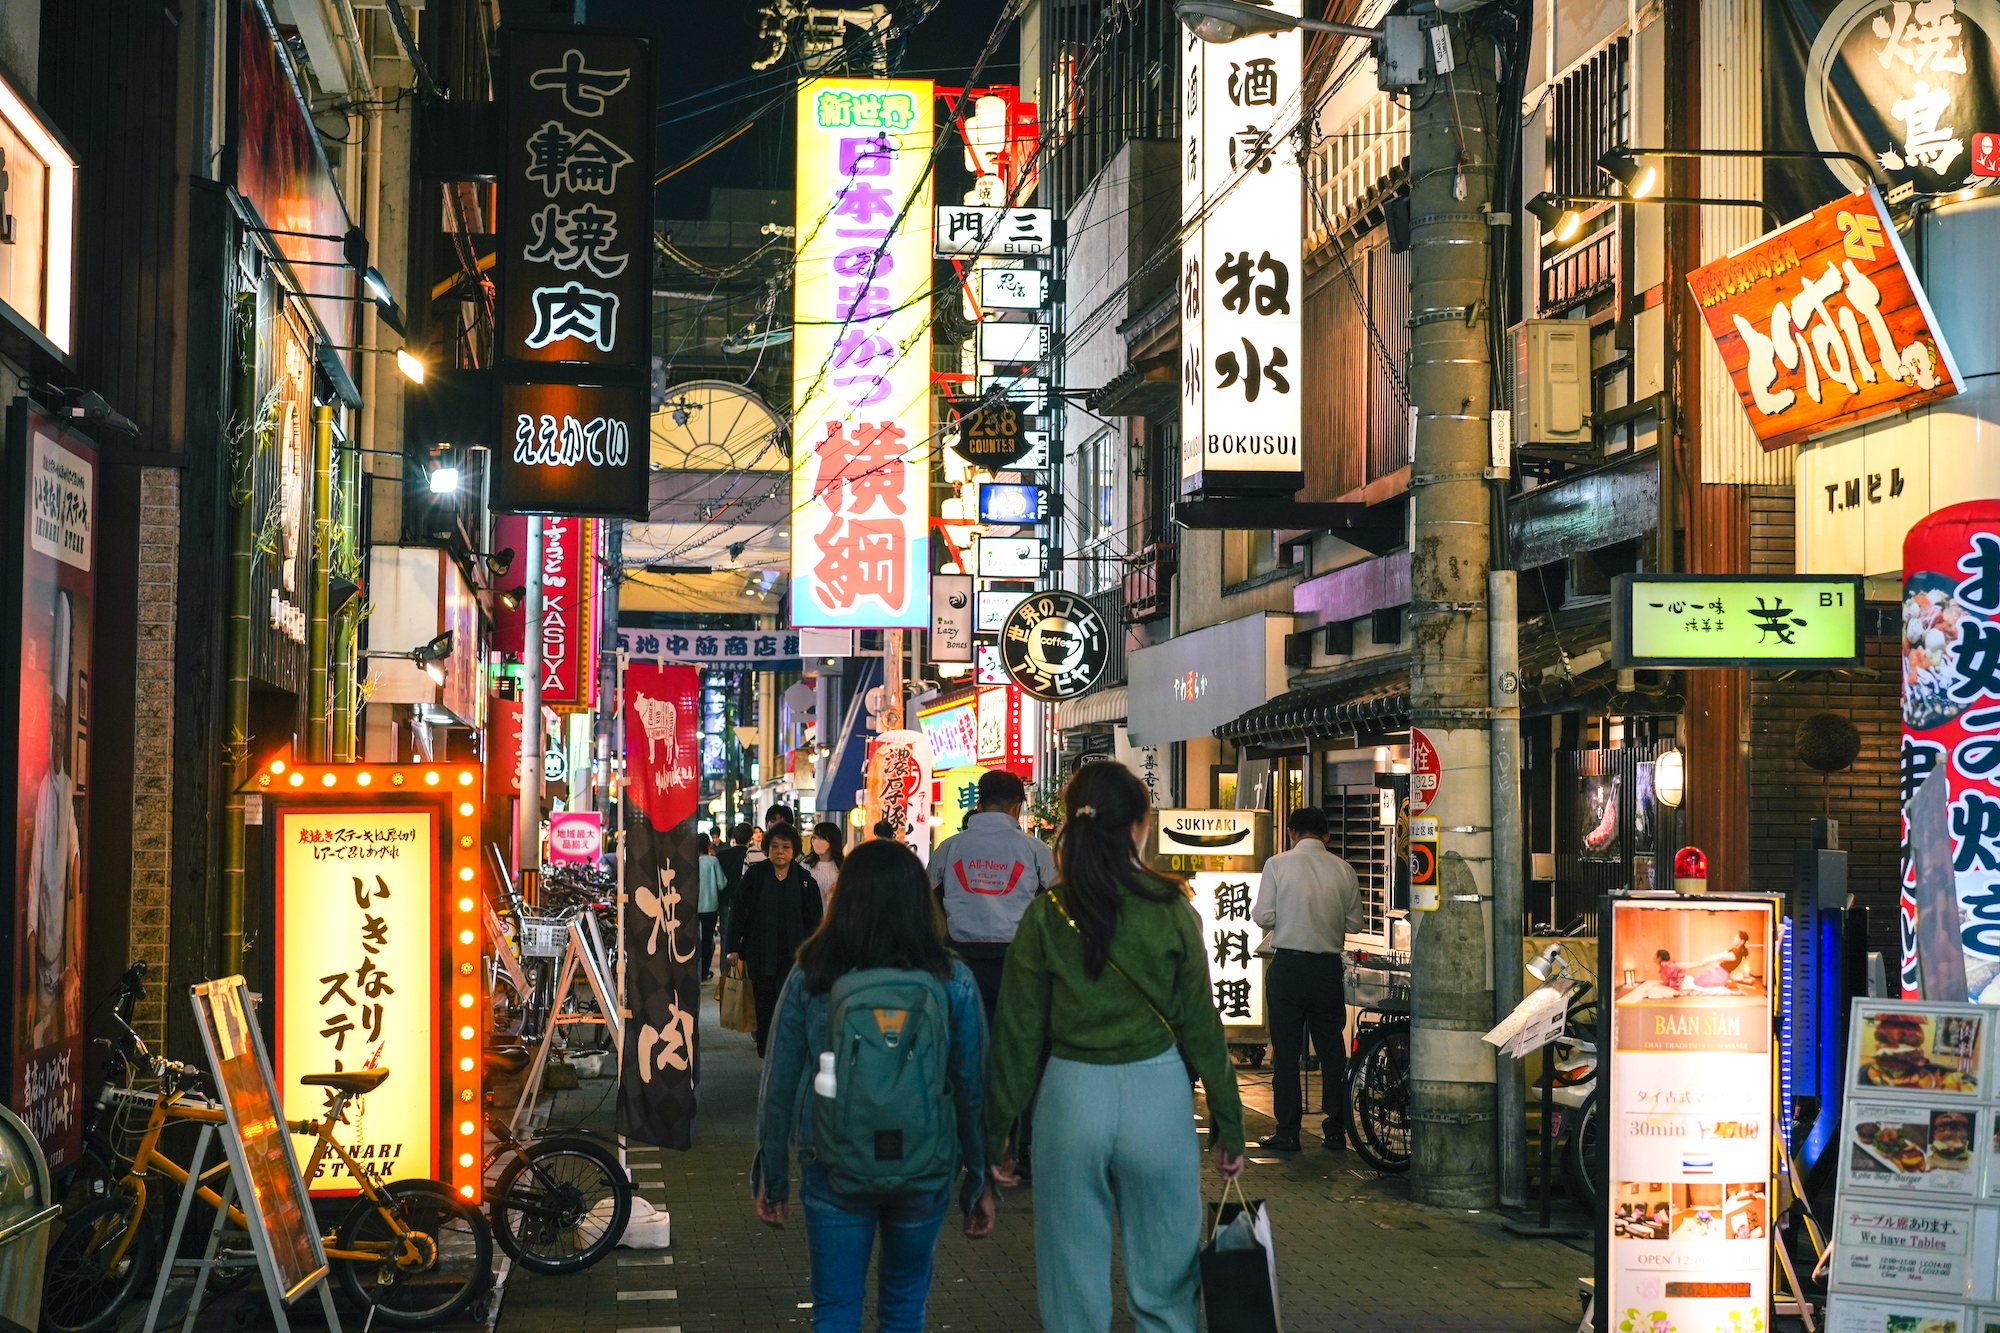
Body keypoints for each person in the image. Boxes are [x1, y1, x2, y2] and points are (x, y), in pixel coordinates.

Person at [986, 762, 1244, 1333]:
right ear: (1137, 827)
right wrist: (1229, 1122)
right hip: (1158, 1095)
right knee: (1167, 1287)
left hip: (1070, 1094)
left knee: (1071, 1286)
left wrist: (997, 1132)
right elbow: (1203, 1026)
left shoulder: (1046, 914)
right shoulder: (1172, 907)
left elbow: (1017, 1035)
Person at [752, 840, 994, 1332]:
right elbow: (971, 1088)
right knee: (905, 1307)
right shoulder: (952, 978)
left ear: (845, 897)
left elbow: (779, 1080)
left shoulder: (811, 973)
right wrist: (978, 1178)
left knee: (836, 1308)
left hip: (832, 1158)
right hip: (925, 1162)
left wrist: (772, 1173)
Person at [1250, 805, 1363, 1152]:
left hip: (1287, 969)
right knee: (1331, 1052)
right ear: (1327, 835)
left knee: (1285, 1053)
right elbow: (1355, 924)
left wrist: (1291, 913)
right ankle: (1335, 1129)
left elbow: (1262, 916)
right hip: (1327, 970)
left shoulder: (1277, 864)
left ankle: (1288, 1131)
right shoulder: (1344, 870)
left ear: (1292, 833)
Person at [927, 768, 1057, 1018]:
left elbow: (926, 900)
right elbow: (1059, 902)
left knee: (965, 1038)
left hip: (959, 961)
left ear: (978, 805)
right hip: (1020, 962)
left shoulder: (948, 848)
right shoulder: (1036, 850)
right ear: (1017, 808)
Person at [727, 825, 822, 1055]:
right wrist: (732, 948)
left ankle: (787, 1047)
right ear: (767, 848)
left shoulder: (804, 880)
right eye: (775, 847)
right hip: (760, 951)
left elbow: (815, 921)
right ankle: (766, 1048)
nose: (780, 852)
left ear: (795, 851)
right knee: (764, 1002)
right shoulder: (755, 876)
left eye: (786, 847)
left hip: (794, 953)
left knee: (790, 1001)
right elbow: (738, 911)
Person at [697, 833, 726, 982]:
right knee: (707, 940)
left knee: (694, 940)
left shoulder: (690, 861)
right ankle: (704, 973)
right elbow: (722, 883)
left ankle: (694, 971)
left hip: (693, 908)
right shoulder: (713, 861)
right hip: (710, 906)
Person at [805, 821, 846, 909]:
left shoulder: (844, 867)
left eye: (821, 838)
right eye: (814, 837)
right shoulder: (806, 865)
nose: (816, 841)